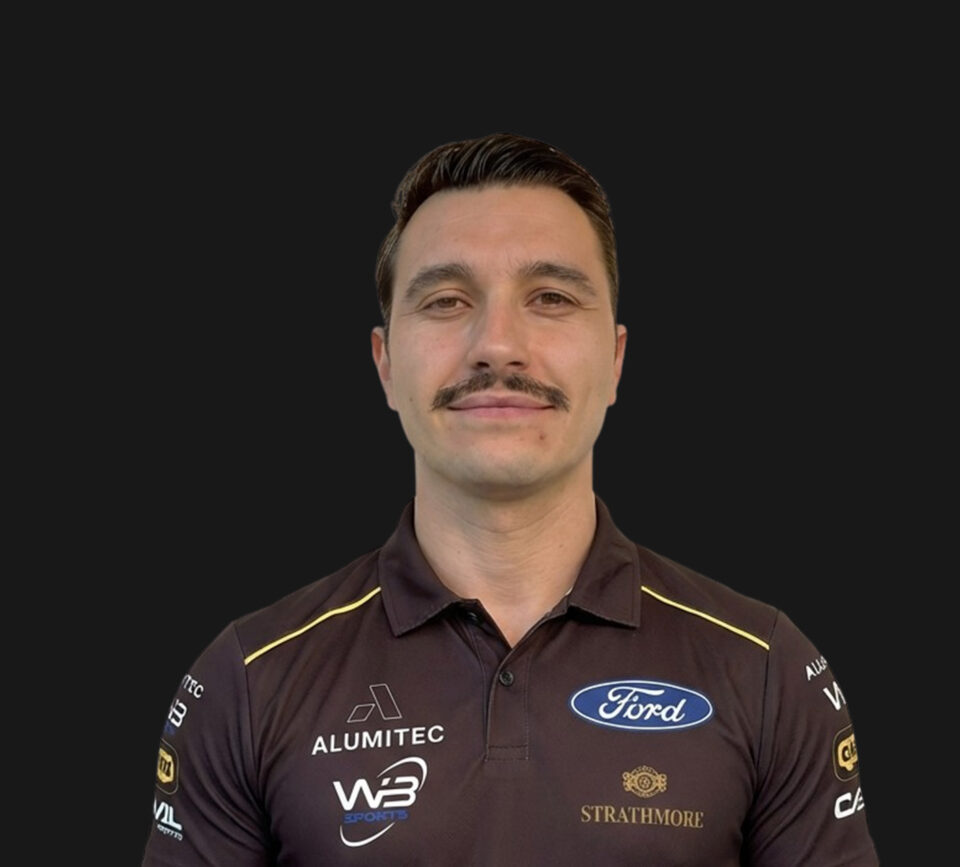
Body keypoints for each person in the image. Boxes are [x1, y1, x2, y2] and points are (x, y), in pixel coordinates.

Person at [141, 132, 879, 865]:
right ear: (386, 365)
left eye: (551, 297)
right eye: (446, 300)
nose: (497, 344)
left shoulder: (765, 669)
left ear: (616, 360)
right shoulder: (248, 679)